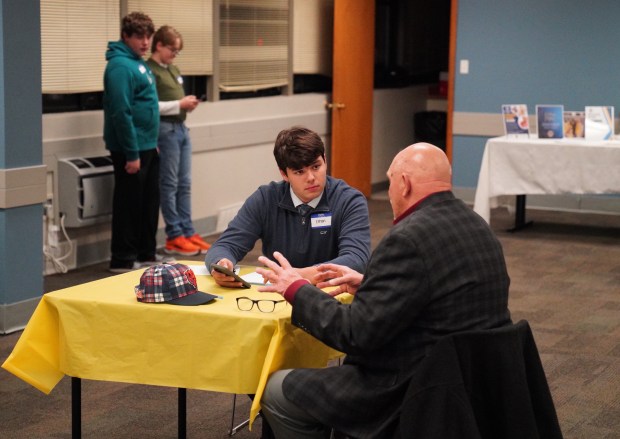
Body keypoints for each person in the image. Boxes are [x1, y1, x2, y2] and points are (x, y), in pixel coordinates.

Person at [255, 143, 513, 438]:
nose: (389, 191)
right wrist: (369, 284)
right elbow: (445, 291)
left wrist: (296, 289)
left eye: (390, 180)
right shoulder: (478, 227)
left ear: (403, 184)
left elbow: (354, 333)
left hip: (408, 386)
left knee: (276, 389)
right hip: (474, 382)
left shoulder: (408, 239)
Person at [204, 126, 371, 286]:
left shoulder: (349, 200)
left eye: (316, 166)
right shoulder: (266, 198)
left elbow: (356, 259)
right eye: (299, 172)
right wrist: (220, 265)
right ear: (284, 174)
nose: (311, 177)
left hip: (330, 295)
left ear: (325, 160)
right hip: (278, 293)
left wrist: (301, 275)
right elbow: (225, 245)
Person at [104, 12, 167, 273]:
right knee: (129, 204)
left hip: (146, 145)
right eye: (139, 37)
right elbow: (121, 112)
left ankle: (146, 254)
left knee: (149, 202)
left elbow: (147, 107)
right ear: (126, 36)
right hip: (130, 149)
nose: (145, 42)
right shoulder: (119, 66)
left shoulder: (138, 63)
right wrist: (132, 153)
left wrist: (151, 142)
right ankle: (123, 259)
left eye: (148, 37)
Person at [146, 25, 211, 256]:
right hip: (165, 130)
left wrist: (186, 104)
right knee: (170, 183)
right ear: (159, 45)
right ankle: (174, 235)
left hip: (181, 128)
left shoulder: (172, 69)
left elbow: (174, 98)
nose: (175, 54)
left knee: (184, 183)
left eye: (178, 51)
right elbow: (149, 106)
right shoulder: (149, 70)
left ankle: (187, 230)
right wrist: (179, 105)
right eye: (172, 49)